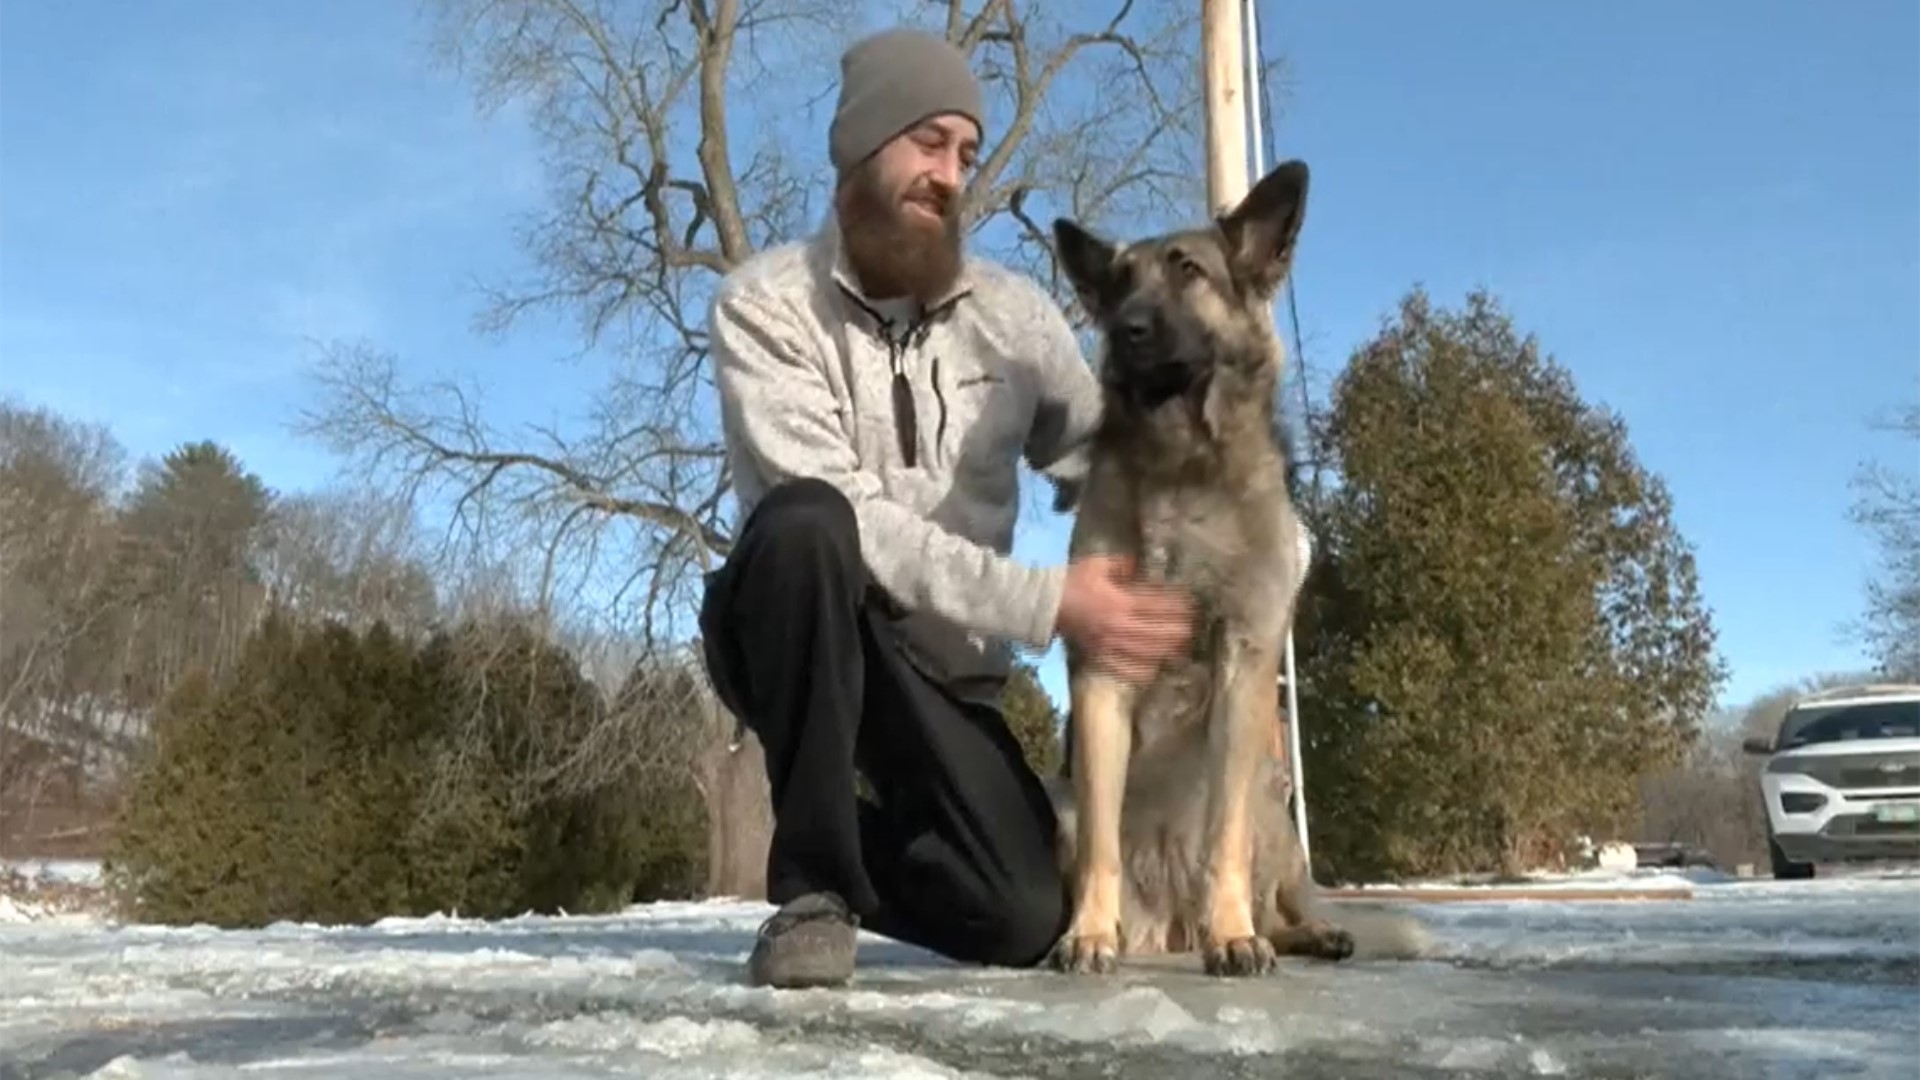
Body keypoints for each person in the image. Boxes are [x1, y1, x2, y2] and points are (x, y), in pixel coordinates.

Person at [699, 26, 1194, 989]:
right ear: (858, 149)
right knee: (808, 524)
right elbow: (855, 517)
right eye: (928, 142)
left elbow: (1109, 452)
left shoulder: (1015, 319)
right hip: (800, 628)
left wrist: (1226, 509)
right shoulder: (762, 305)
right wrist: (1052, 604)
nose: (950, 174)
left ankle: (840, 843)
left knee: (1020, 913)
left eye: (966, 153)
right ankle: (811, 890)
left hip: (938, 680)